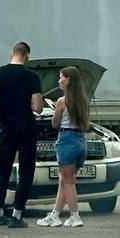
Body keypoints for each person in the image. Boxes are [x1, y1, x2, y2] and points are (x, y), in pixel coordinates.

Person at [0, 41, 43, 228]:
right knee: (26, 171)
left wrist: (5, 104)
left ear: (12, 53)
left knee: (3, 169)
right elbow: (38, 108)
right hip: (26, 128)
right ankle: (17, 214)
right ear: (27, 56)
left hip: (7, 128)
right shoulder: (32, 77)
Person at [38, 66, 90, 229]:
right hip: (80, 141)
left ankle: (75, 216)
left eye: (60, 77)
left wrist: (56, 110)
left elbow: (55, 124)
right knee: (64, 180)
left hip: (66, 141)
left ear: (68, 80)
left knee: (69, 182)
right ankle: (55, 215)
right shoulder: (83, 101)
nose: (58, 81)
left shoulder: (62, 101)